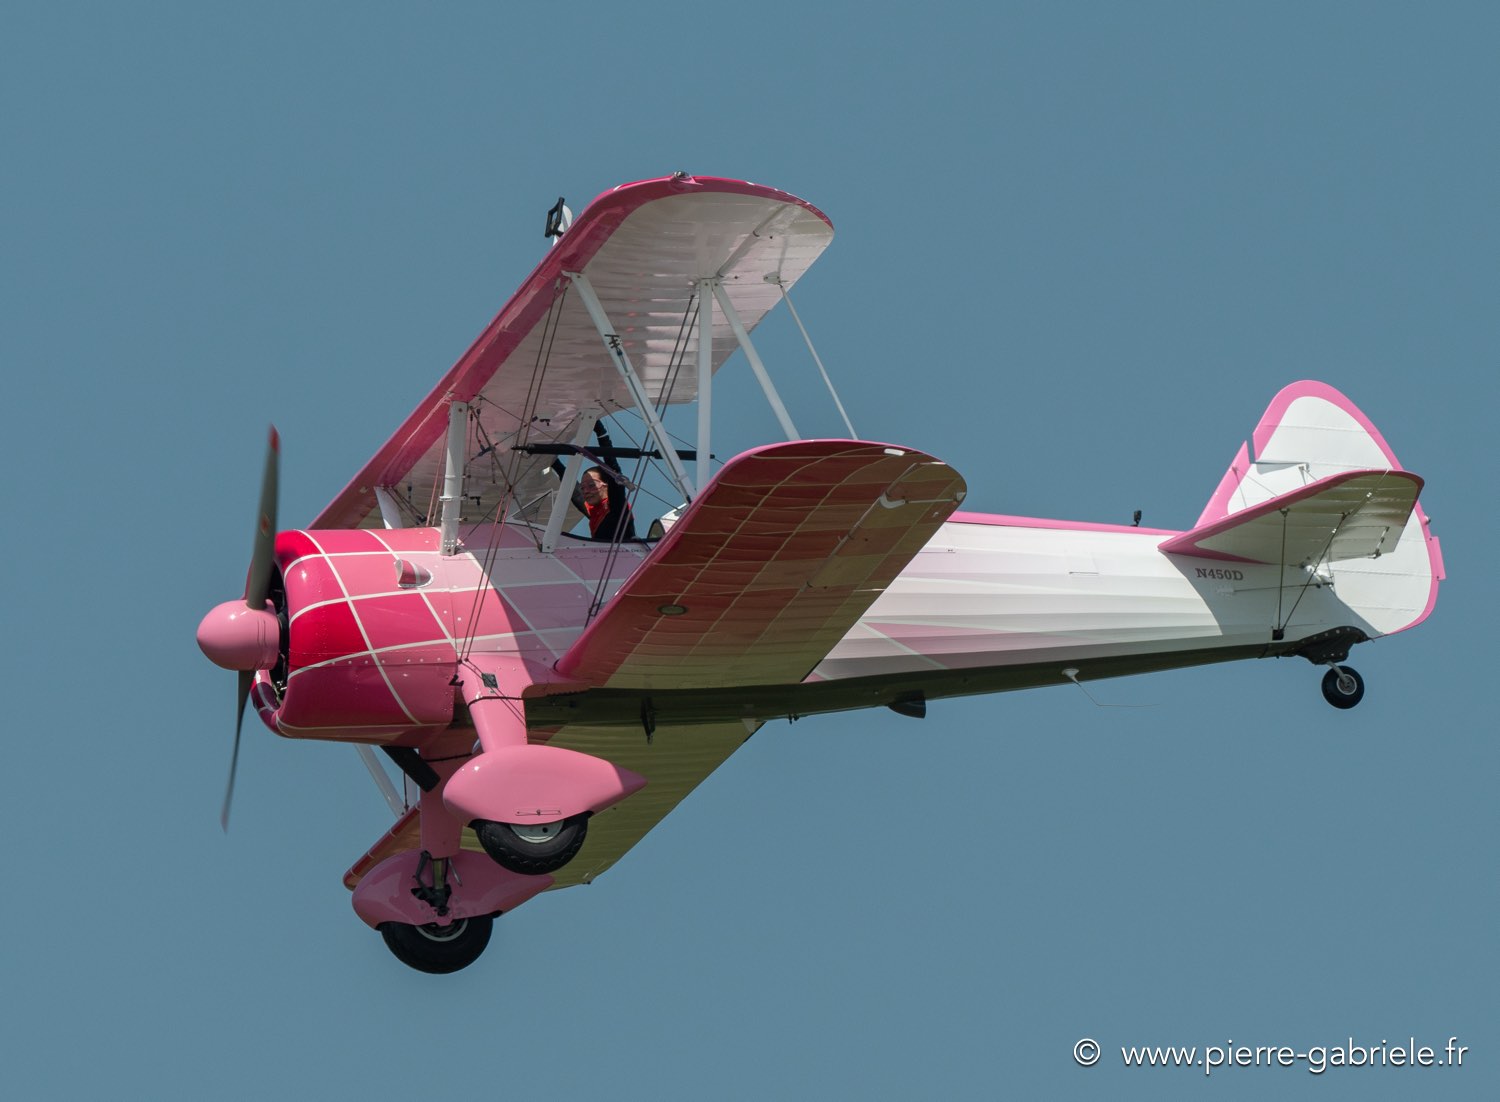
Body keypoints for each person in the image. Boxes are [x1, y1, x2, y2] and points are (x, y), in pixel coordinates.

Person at [560, 424, 636, 542]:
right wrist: (551, 460)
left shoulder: (617, 506)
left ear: (607, 485)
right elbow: (573, 489)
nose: (586, 492)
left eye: (592, 485)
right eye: (583, 488)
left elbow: (613, 471)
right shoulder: (594, 512)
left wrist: (601, 434)